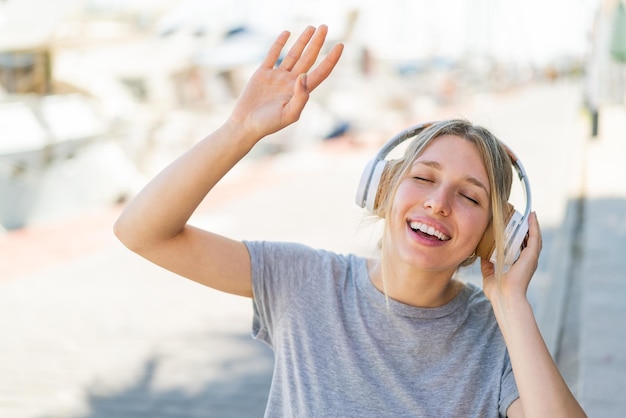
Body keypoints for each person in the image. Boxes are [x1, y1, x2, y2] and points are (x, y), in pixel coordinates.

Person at [114, 25, 586, 418]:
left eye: (468, 196)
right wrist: (241, 129)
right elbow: (141, 231)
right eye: (423, 177)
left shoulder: (500, 341)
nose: (439, 203)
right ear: (382, 191)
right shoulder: (302, 281)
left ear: (491, 237)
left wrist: (510, 301)